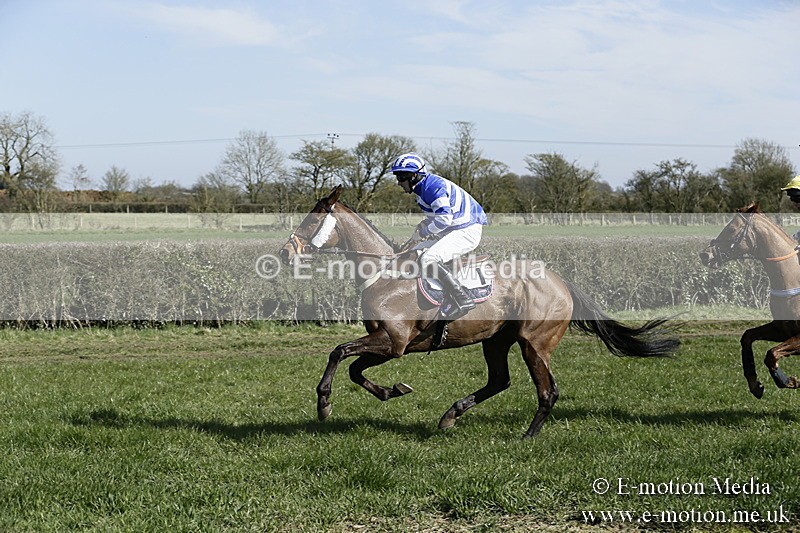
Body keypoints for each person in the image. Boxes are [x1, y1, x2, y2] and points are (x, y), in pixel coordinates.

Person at [391, 152, 489, 320]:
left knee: (429, 258)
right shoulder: (423, 189)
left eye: (401, 177)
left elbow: (444, 219)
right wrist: (423, 226)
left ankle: (462, 299)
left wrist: (423, 232)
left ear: (414, 176)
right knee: (414, 252)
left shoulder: (431, 188)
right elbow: (437, 218)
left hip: (467, 229)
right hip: (455, 228)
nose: (398, 182)